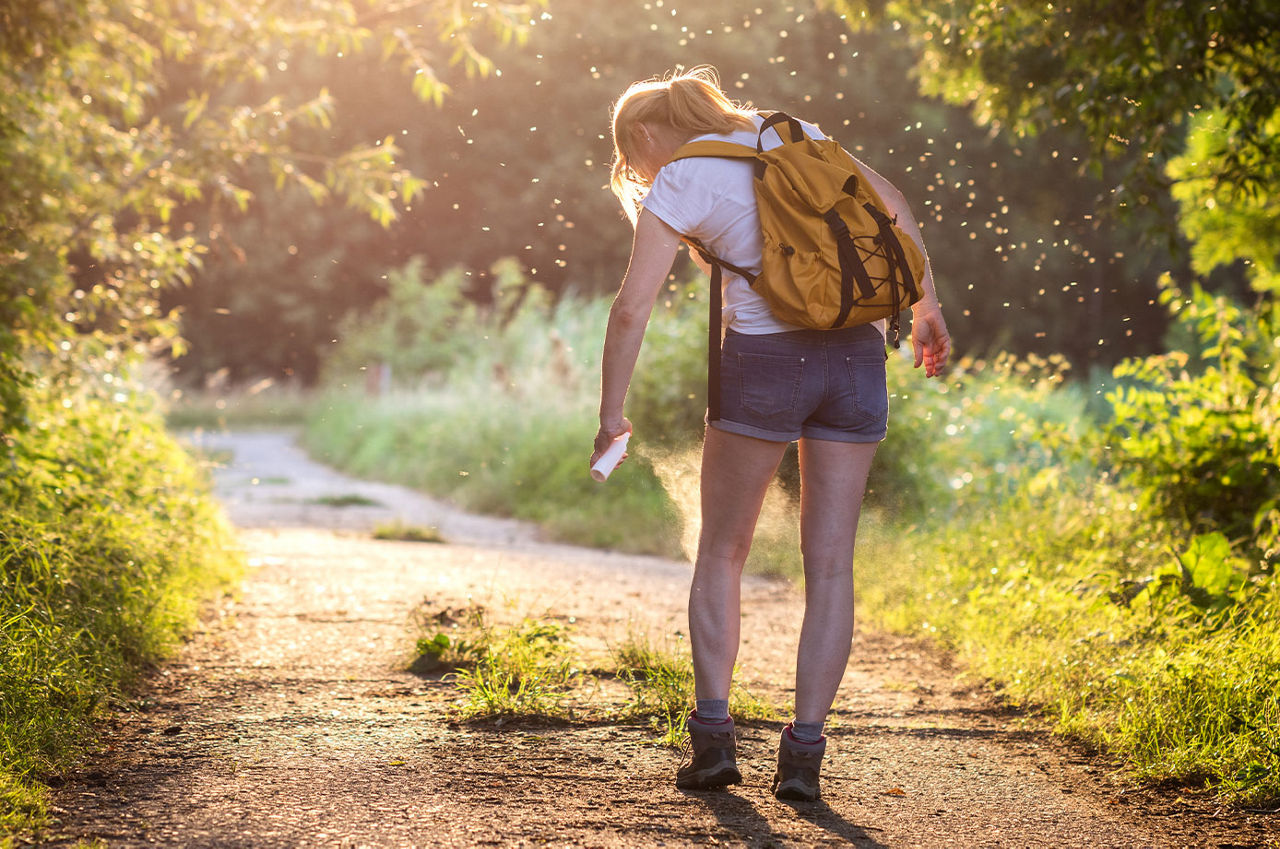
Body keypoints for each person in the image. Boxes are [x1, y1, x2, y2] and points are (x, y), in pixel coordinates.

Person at [590, 66, 950, 801]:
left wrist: (610, 412)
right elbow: (896, 204)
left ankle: (715, 743)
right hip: (856, 358)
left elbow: (632, 310)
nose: (639, 172)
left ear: (646, 135)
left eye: (634, 158)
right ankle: (804, 757)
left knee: (722, 550)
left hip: (763, 362)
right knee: (832, 567)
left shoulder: (683, 177)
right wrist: (926, 308)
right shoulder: (793, 133)